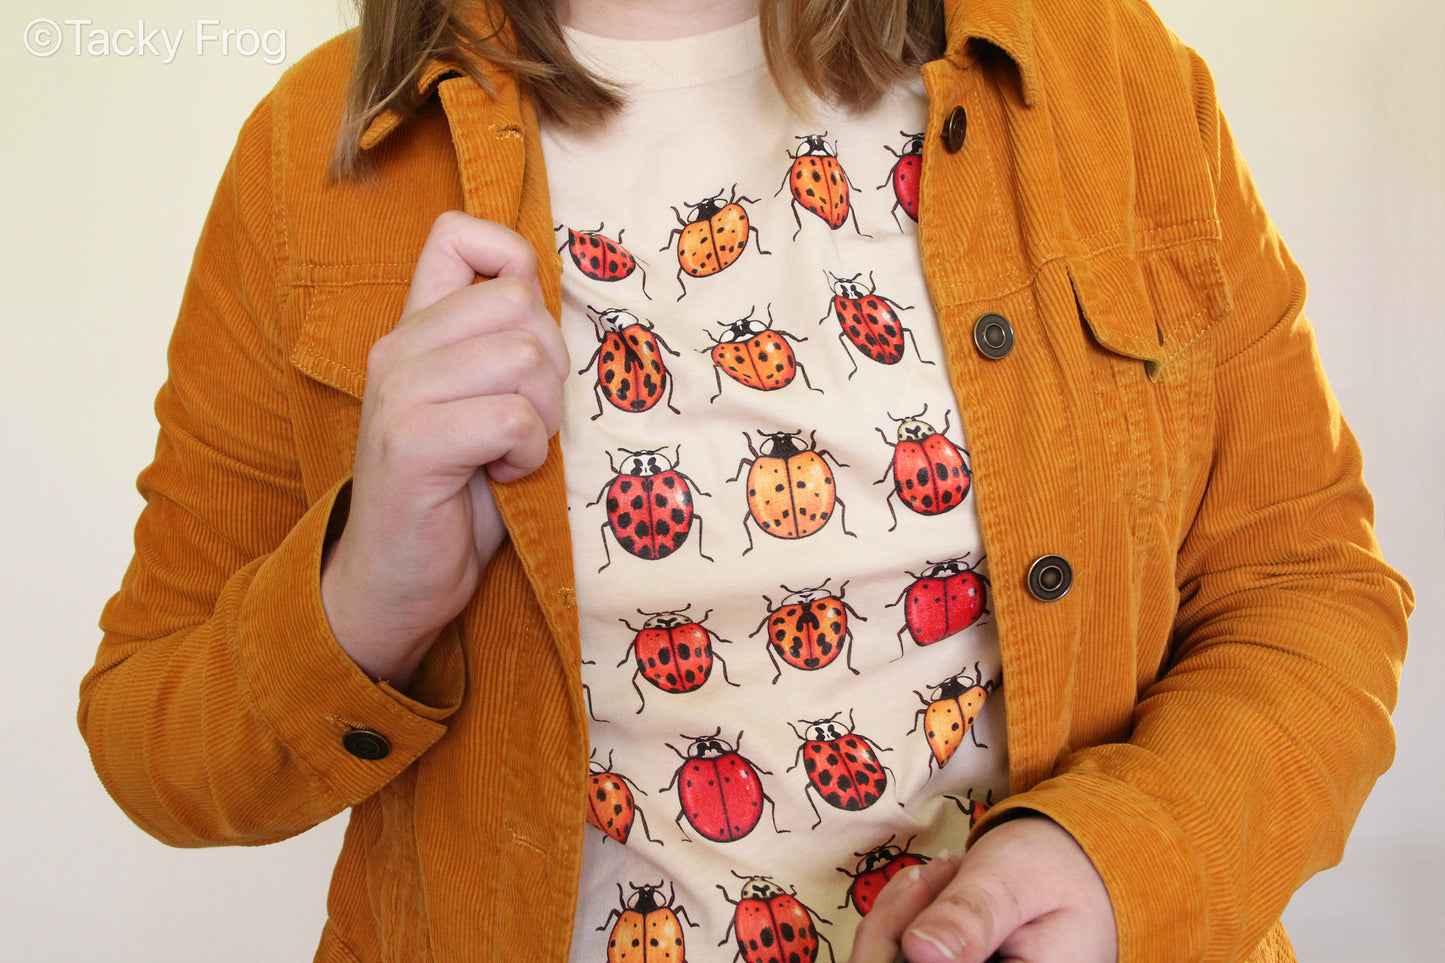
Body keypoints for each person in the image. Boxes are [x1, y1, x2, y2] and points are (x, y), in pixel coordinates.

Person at [78, 0, 1412, 960]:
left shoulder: (1107, 74)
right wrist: (369, 590)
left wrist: (1111, 865)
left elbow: (1311, 595)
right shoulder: (313, 160)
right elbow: (153, 742)